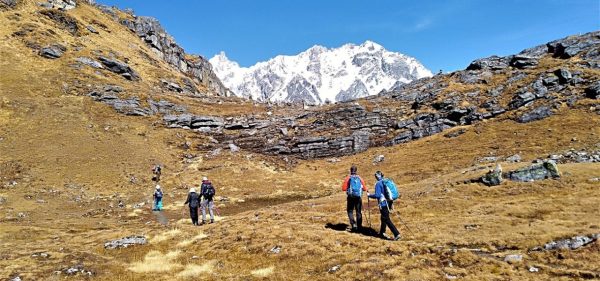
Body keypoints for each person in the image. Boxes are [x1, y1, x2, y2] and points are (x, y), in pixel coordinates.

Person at [368, 171, 401, 241]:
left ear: (377, 176)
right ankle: (382, 232)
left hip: (383, 204)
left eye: (375, 176)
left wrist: (369, 195)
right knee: (383, 218)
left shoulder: (378, 184)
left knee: (386, 219)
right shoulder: (386, 181)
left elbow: (377, 195)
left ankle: (396, 234)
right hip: (388, 202)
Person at [341, 165, 367, 232]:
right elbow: (364, 188)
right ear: (356, 170)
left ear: (350, 170)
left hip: (351, 197)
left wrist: (348, 189)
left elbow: (343, 188)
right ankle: (359, 226)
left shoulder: (348, 178)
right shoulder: (359, 178)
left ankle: (353, 225)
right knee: (358, 212)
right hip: (358, 197)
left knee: (350, 211)